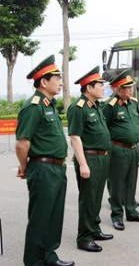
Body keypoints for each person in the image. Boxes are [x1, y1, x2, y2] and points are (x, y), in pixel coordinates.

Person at [15, 55, 74, 266]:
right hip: (42, 168)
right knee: (40, 218)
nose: (61, 82)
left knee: (53, 217)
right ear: (44, 82)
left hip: (57, 168)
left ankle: (49, 256)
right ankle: (33, 261)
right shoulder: (34, 106)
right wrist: (24, 167)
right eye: (57, 78)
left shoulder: (50, 105)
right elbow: (22, 143)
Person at [67, 66, 113, 252]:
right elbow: (75, 137)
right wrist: (83, 164)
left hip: (102, 158)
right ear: (88, 88)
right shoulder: (78, 108)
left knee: (96, 197)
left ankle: (94, 229)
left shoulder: (96, 106)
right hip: (89, 158)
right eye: (100, 85)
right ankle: (84, 238)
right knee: (88, 199)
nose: (103, 88)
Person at [102, 70, 139, 231]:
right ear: (117, 89)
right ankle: (116, 215)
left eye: (131, 87)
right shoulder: (110, 105)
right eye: (126, 88)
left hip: (133, 149)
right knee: (116, 183)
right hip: (118, 149)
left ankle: (131, 211)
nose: (130, 90)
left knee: (131, 181)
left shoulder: (133, 103)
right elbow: (103, 128)